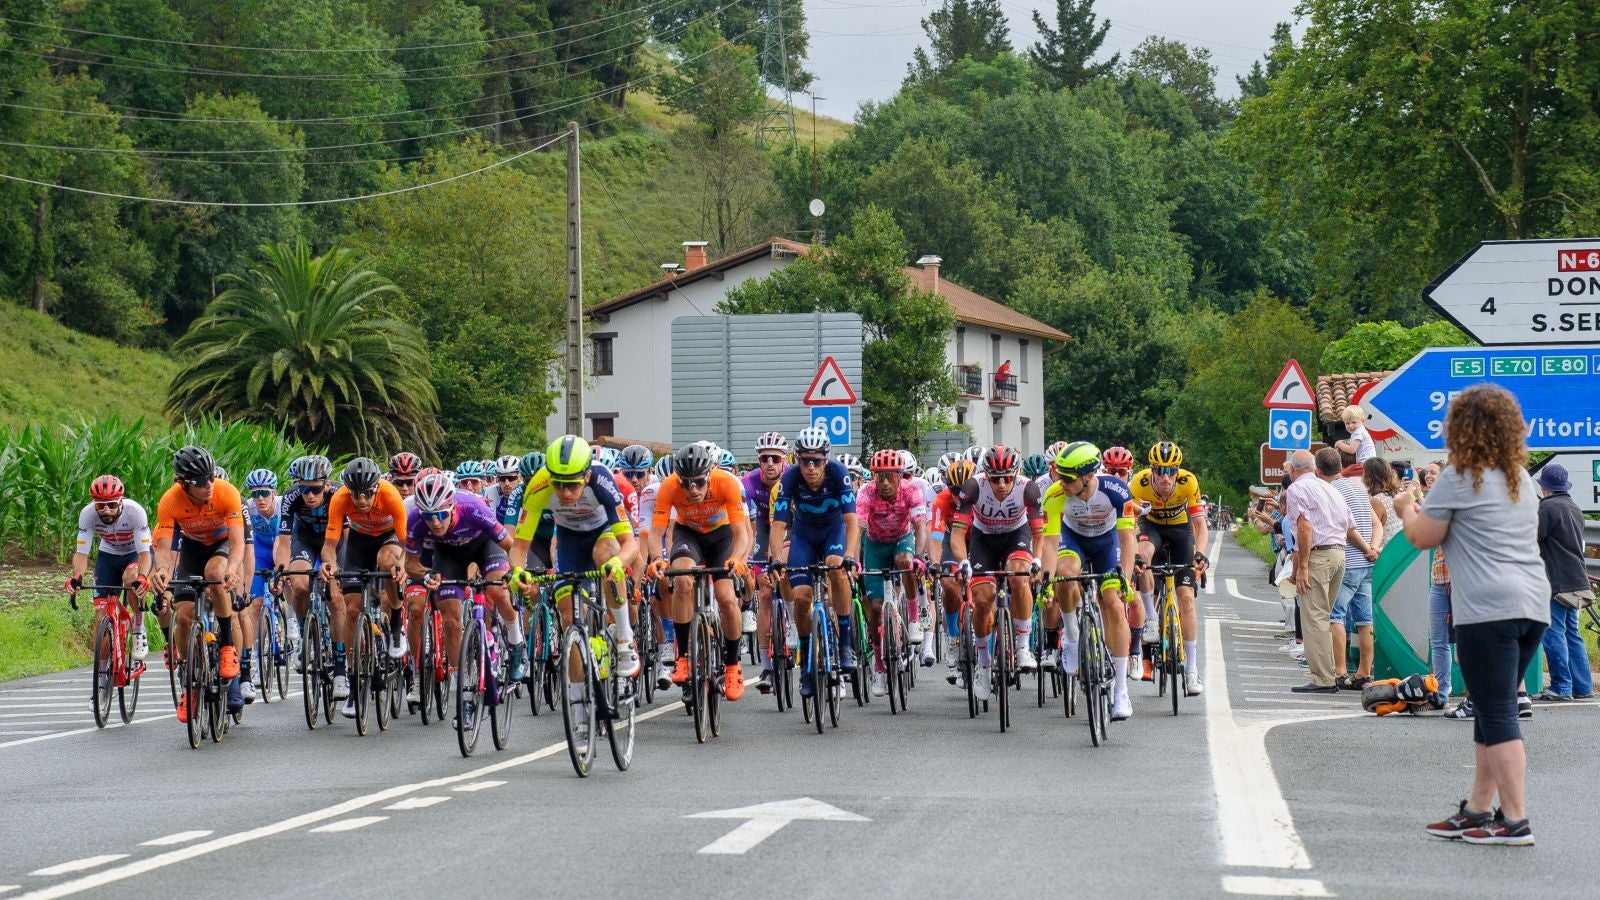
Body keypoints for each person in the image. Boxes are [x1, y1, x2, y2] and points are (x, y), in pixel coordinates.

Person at [1399, 384, 1548, 846]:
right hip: (1532, 604)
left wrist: (1406, 508)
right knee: (1489, 708)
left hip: (1486, 608)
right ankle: (1478, 811)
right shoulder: (1519, 478)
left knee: (1499, 712)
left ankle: (1515, 819)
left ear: (1461, 429)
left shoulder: (1461, 476)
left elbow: (1423, 537)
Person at [1282, 448, 1376, 693]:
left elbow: (1304, 527)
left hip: (1319, 555)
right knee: (1325, 616)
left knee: (1314, 618)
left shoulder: (1297, 489)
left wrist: (1301, 566)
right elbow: (1349, 526)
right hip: (1339, 555)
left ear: (1293, 469)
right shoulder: (1331, 489)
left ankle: (1323, 678)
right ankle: (1330, 673)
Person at [1533, 464, 1593, 702]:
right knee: (1572, 633)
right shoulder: (1574, 507)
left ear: (1544, 487)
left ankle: (1561, 686)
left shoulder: (1547, 507)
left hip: (1555, 581)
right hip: (1577, 578)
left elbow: (1533, 539)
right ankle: (1583, 685)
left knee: (1553, 633)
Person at [1329, 459, 1380, 689]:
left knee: (1335, 616)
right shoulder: (1360, 491)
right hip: (1367, 566)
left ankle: (1339, 670)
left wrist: (1365, 548)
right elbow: (1377, 524)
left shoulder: (1335, 491)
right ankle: (1364, 673)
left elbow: (1348, 529)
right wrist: (1374, 548)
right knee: (1365, 620)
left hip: (1349, 562)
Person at [1362, 457, 1403, 548]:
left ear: (1369, 476)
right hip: (1403, 547)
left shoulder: (1376, 501)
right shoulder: (1400, 492)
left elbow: (1372, 530)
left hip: (1387, 552)